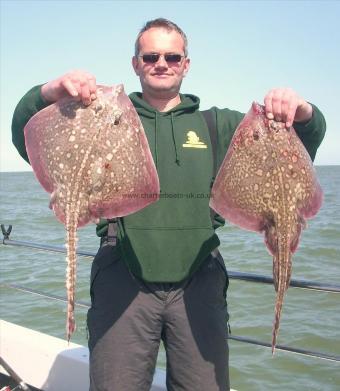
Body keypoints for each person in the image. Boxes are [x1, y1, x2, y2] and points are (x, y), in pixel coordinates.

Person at [12, 18, 326, 391]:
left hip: (199, 281)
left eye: (173, 56)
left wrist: (303, 112)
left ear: (186, 64)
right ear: (136, 63)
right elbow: (27, 130)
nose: (162, 63)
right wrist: (49, 91)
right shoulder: (103, 115)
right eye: (151, 56)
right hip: (122, 276)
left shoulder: (220, 125)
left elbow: (297, 148)